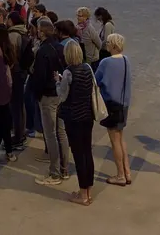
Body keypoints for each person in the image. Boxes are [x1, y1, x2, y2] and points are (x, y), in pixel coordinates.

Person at [31, 17, 70, 186]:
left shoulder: (43, 51)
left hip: (47, 96)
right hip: (60, 93)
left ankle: (54, 173)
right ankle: (64, 169)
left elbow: (39, 76)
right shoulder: (61, 47)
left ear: (42, 32)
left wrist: (37, 95)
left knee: (51, 134)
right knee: (61, 132)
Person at [56, 39, 95, 206]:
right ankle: (88, 191)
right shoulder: (88, 68)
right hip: (87, 115)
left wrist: (58, 81)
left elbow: (62, 95)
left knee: (79, 155)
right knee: (87, 152)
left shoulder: (68, 72)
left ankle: (83, 194)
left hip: (74, 117)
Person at [96, 33, 132, 185]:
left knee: (114, 140)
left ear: (113, 45)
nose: (106, 45)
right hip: (124, 103)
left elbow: (96, 80)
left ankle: (120, 175)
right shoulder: (126, 60)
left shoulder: (106, 62)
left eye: (108, 43)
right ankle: (127, 172)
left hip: (112, 104)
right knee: (120, 137)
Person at [0, 24, 17, 163]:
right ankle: (4, 150)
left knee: (3, 122)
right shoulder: (8, 49)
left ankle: (1, 150)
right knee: (4, 121)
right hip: (7, 88)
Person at [7, 11, 33, 147]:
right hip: (22, 71)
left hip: (15, 72)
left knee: (15, 105)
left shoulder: (12, 35)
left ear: (11, 21)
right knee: (19, 104)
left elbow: (10, 56)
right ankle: (21, 132)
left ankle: (18, 135)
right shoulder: (24, 32)